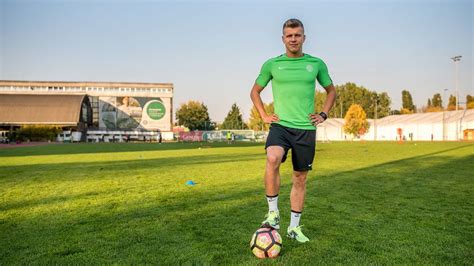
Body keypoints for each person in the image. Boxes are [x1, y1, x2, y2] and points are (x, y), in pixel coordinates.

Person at [250, 18, 336, 243]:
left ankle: (294, 228)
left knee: (300, 178)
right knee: (272, 157)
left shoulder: (316, 64)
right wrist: (263, 115)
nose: (293, 39)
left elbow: (331, 91)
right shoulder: (272, 64)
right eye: (289, 35)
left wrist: (323, 114)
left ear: (304, 38)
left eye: (297, 35)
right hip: (281, 125)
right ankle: (273, 213)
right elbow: (255, 91)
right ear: (283, 39)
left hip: (305, 129)